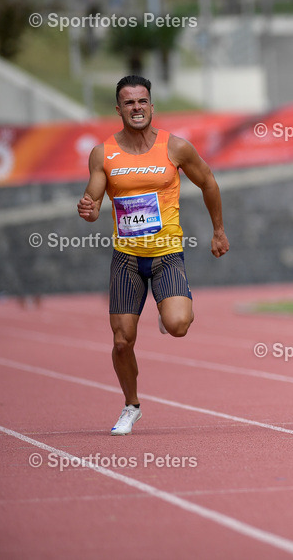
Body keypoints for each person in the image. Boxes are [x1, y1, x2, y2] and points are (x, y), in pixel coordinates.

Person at [77, 75, 229, 435]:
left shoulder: (174, 148)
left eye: (142, 101)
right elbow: (93, 201)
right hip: (126, 258)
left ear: (152, 105)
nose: (136, 108)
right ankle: (131, 405)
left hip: (167, 255)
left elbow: (208, 181)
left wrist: (218, 230)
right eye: (129, 103)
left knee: (178, 325)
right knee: (121, 340)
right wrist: (88, 208)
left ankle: (167, 310)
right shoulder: (103, 153)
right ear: (118, 109)